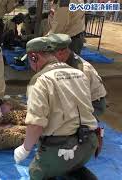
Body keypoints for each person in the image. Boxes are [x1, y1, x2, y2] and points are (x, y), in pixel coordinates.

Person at [13, 36, 99, 179]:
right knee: (72, 167)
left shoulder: (41, 81)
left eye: (29, 60)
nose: (30, 65)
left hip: (62, 148)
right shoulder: (79, 73)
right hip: (89, 145)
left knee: (36, 172)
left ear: (34, 57)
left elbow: (35, 124)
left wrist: (25, 149)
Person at [47, 33, 107, 119]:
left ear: (61, 53)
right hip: (78, 98)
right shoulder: (64, 61)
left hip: (93, 104)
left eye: (49, 55)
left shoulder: (81, 70)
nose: (48, 58)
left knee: (66, 125)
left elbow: (79, 100)